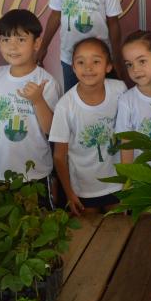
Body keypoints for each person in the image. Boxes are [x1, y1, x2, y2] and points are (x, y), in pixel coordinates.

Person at [0, 9, 62, 207]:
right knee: (5, 223)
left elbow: (51, 130)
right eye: (5, 40)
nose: (12, 47)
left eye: (21, 40)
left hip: (35, 173)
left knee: (38, 226)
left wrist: (38, 100)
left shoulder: (46, 81)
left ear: (37, 43)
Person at [50, 38, 127, 216]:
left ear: (108, 66)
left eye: (96, 61)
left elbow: (128, 137)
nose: (88, 67)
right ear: (73, 67)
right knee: (89, 235)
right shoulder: (65, 105)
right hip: (84, 188)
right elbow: (59, 156)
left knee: (117, 233)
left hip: (117, 184)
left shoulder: (119, 90)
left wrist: (127, 183)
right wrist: (69, 194)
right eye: (81, 62)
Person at [115, 30, 151, 169]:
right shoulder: (126, 101)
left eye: (142, 61)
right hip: (142, 182)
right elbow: (126, 145)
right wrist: (128, 182)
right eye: (129, 64)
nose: (135, 69)